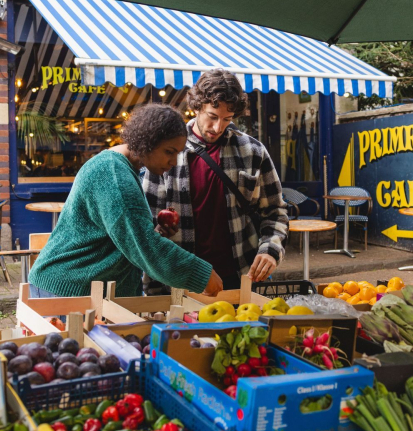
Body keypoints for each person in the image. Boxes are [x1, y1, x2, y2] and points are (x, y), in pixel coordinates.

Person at [28, 104, 223, 299]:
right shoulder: (114, 175)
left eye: (177, 154)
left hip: (82, 290)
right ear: (147, 142)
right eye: (169, 152)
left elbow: (122, 238)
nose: (173, 162)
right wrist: (202, 274)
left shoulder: (121, 169)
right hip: (66, 291)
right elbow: (146, 248)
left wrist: (148, 233)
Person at [143, 70, 288, 294]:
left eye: (227, 119)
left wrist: (270, 250)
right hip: (180, 279)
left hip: (239, 277)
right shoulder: (166, 151)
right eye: (212, 116)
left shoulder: (253, 151)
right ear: (197, 107)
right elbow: (145, 227)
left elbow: (275, 212)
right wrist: (160, 230)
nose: (218, 127)